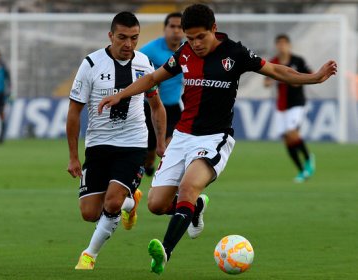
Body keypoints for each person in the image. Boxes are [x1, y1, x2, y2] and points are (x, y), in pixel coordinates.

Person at [98, 4, 337, 275]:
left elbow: (276, 71)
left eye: (201, 37)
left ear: (214, 29)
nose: (195, 44)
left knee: (188, 187)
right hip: (182, 137)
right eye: (190, 38)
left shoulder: (235, 53)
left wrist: (314, 78)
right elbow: (153, 77)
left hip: (213, 138)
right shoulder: (185, 53)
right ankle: (196, 207)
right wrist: (121, 94)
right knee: (156, 204)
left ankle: (165, 250)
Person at [66, 11, 166, 270]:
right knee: (89, 213)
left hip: (133, 145)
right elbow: (74, 113)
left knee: (111, 202)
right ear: (110, 36)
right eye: (122, 37)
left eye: (134, 38)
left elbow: (156, 107)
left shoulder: (145, 64)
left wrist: (161, 142)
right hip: (98, 145)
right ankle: (131, 202)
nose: (128, 44)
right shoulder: (90, 65)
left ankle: (89, 256)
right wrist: (74, 156)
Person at [264, 34, 315, 183]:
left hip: (297, 103)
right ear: (276, 46)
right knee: (287, 140)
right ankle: (302, 171)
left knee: (292, 132)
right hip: (281, 105)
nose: (281, 46)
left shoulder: (297, 61)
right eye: (279, 43)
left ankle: (308, 159)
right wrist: (268, 83)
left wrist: (299, 81)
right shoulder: (273, 62)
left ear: (289, 45)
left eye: (284, 43)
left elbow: (311, 75)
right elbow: (266, 81)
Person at [139, 12, 184, 176]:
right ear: (165, 29)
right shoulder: (149, 50)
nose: (176, 31)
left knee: (171, 148)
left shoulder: (188, 50)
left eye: (180, 27)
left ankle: (165, 181)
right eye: (172, 26)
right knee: (150, 152)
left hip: (173, 108)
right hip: (149, 108)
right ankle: (149, 164)